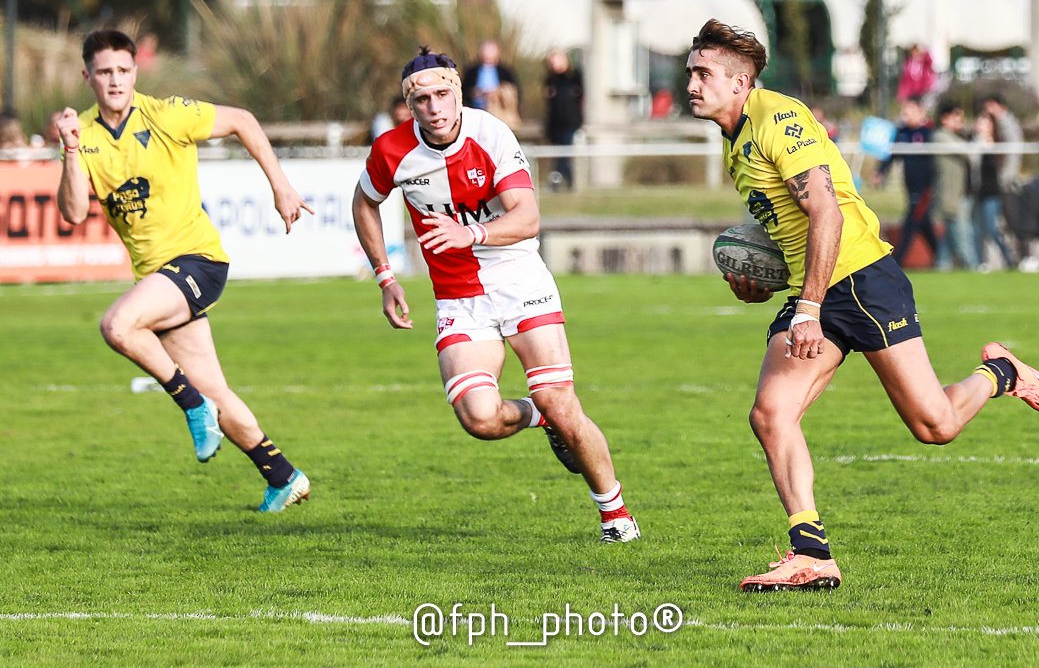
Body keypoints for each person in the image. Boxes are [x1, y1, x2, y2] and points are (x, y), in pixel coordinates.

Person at [685, 19, 1039, 591]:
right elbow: (790, 225)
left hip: (861, 278)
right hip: (814, 287)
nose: (692, 83)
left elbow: (827, 213)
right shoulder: (734, 138)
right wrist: (765, 281)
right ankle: (811, 551)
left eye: (704, 74)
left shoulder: (777, 118)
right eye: (691, 72)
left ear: (741, 83)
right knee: (770, 413)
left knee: (934, 426)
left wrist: (806, 309)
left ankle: (1001, 372)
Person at [353, 47, 640, 543]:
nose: (435, 108)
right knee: (480, 418)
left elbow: (527, 217)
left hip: (518, 280)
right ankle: (538, 418)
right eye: (422, 100)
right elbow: (364, 202)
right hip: (459, 297)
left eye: (443, 94)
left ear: (459, 92)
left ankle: (615, 514)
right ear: (409, 105)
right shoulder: (391, 151)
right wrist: (386, 275)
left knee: (560, 398)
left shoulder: (489, 133)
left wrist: (474, 235)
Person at [54, 29, 314, 512]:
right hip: (158, 278)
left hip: (198, 260)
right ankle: (282, 474)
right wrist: (69, 150)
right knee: (216, 389)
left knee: (117, 325)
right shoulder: (83, 134)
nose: (115, 81)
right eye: (104, 72)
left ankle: (190, 405)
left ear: (135, 72)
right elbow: (72, 212)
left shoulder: (164, 113)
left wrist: (281, 185)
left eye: (123, 71)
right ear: (87, 76)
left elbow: (243, 120)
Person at [874, 99, 937, 267]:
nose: (905, 116)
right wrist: (881, 172)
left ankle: (897, 263)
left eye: (909, 112)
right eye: (904, 112)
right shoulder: (902, 132)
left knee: (910, 223)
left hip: (925, 188)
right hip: (910, 187)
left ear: (920, 112)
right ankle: (941, 256)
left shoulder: (930, 133)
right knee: (923, 223)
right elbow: (892, 155)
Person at [931, 100, 977, 270]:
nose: (961, 121)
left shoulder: (955, 137)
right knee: (962, 239)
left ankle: (941, 267)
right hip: (951, 198)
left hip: (958, 196)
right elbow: (969, 152)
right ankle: (973, 270)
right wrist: (980, 137)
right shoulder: (940, 137)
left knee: (947, 243)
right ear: (945, 118)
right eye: (956, 117)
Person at [970, 111, 1016, 270]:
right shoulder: (974, 143)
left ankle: (1009, 259)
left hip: (992, 193)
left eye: (984, 123)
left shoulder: (998, 145)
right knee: (977, 230)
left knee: (991, 228)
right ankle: (980, 262)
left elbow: (1003, 167)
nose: (980, 126)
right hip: (977, 192)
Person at [542, 48, 584, 191]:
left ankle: (559, 180)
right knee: (559, 154)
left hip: (570, 121)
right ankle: (566, 181)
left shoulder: (574, 76)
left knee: (565, 153)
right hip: (555, 123)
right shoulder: (550, 79)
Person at [462, 39, 520, 129]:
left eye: (490, 51)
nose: (487, 54)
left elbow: (515, 92)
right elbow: (464, 91)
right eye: (485, 51)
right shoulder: (471, 71)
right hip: (476, 112)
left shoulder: (506, 72)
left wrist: (497, 93)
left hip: (499, 115)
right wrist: (475, 93)